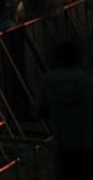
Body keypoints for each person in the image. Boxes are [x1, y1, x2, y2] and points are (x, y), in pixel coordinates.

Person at [38, 39, 93, 176]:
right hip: (86, 143)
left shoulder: (48, 80)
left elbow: (40, 110)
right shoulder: (87, 80)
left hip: (62, 143)